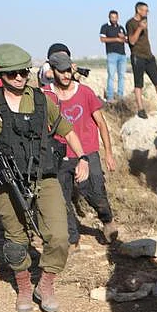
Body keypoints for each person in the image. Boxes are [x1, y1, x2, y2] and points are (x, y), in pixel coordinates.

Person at [0, 44, 88, 312]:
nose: (19, 78)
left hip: (44, 176)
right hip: (9, 180)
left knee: (59, 236)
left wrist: (82, 157)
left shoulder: (41, 100)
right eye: (12, 73)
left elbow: (67, 128)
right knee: (16, 239)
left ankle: (46, 283)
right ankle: (25, 285)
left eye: (23, 72)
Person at [43, 52, 118, 247]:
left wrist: (108, 153)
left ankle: (107, 219)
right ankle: (72, 238)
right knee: (62, 198)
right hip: (60, 154)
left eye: (69, 70)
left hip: (88, 151)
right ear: (52, 72)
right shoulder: (45, 95)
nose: (66, 75)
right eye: (62, 71)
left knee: (95, 191)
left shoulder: (85, 92)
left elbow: (101, 123)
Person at [126, 1, 157, 119]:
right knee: (138, 84)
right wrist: (140, 28)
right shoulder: (130, 23)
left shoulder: (145, 20)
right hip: (137, 56)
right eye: (145, 10)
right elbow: (132, 41)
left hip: (149, 56)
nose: (147, 13)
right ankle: (140, 109)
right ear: (138, 10)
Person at [99, 10, 128, 102]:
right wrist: (116, 39)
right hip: (112, 54)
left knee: (122, 76)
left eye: (115, 17)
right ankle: (110, 97)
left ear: (118, 17)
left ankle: (120, 96)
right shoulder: (105, 27)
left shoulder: (121, 28)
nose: (114, 19)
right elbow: (102, 39)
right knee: (111, 75)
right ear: (109, 17)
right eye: (112, 17)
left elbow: (127, 40)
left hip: (122, 55)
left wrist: (123, 37)